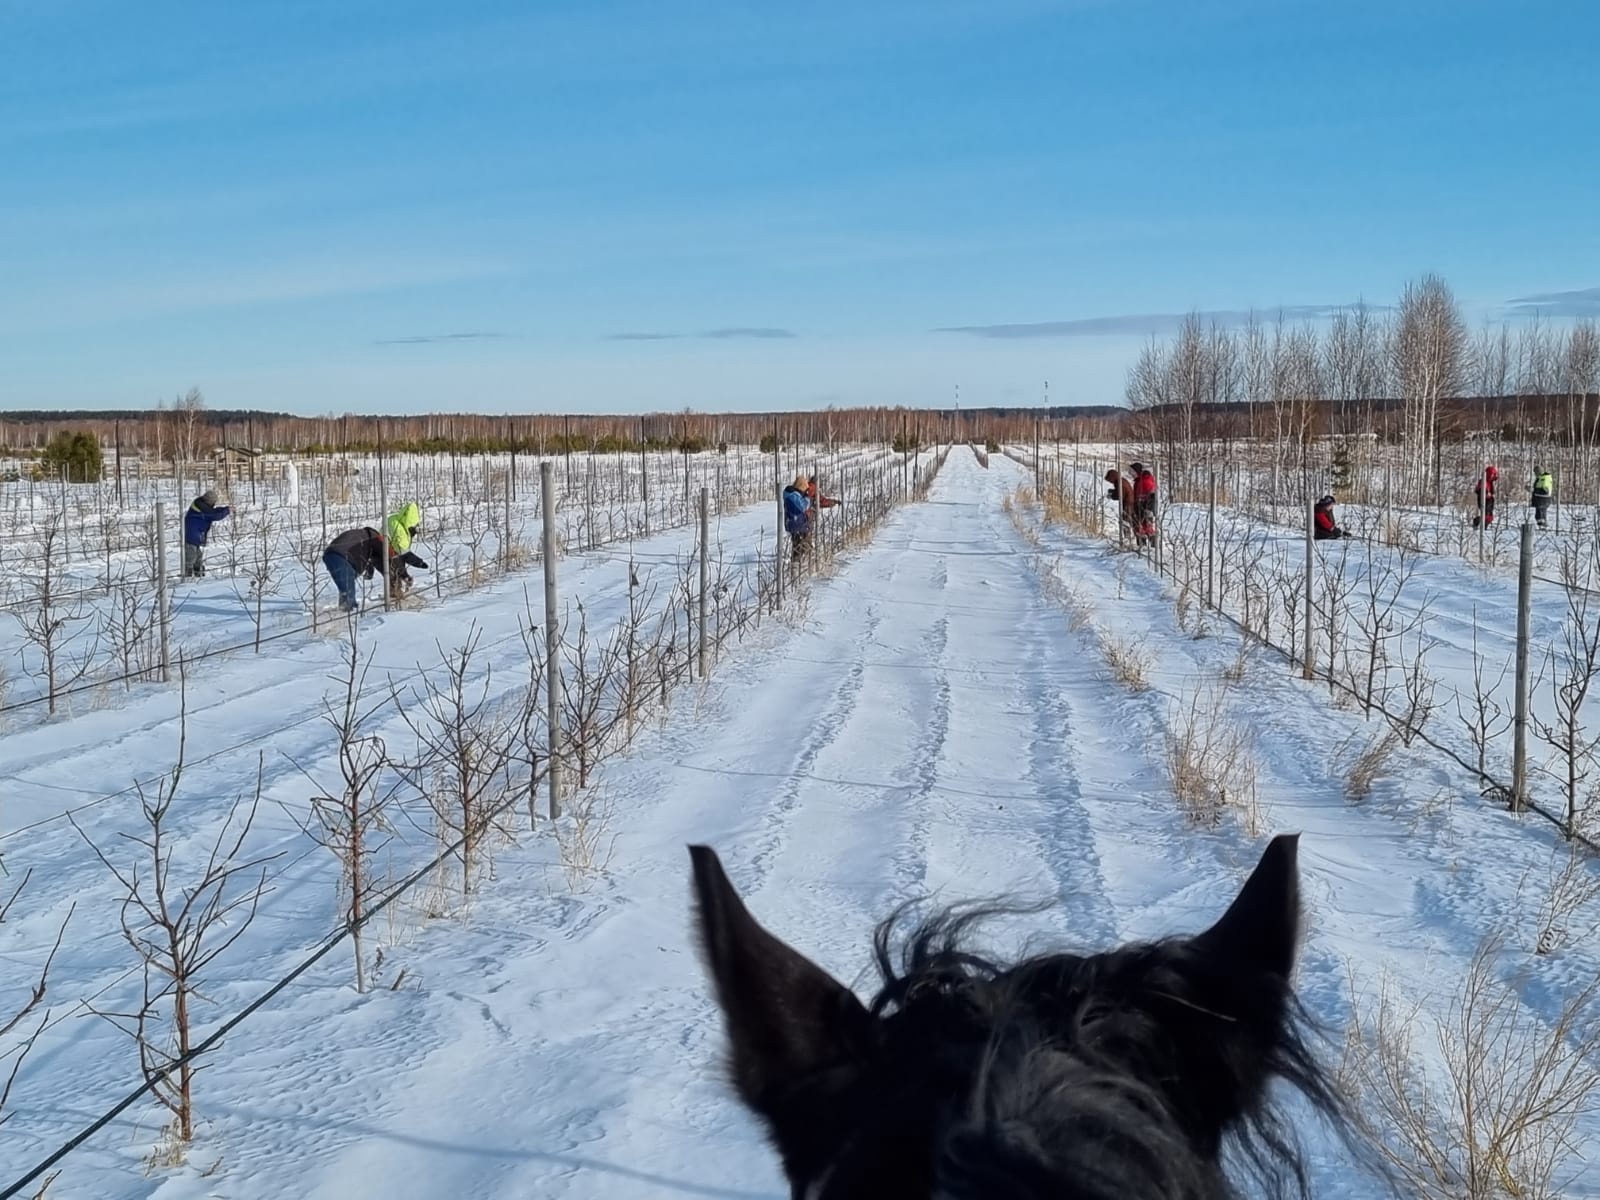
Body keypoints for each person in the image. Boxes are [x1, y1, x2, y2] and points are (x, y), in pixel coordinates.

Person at [322, 526, 387, 612]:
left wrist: (369, 568)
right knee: (348, 591)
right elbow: (382, 556)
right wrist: (388, 574)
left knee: (347, 587)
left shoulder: (361, 536)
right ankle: (347, 614)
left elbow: (366, 556)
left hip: (331, 554)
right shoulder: (373, 537)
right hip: (341, 556)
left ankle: (347, 610)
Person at [384, 500, 430, 598]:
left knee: (397, 563)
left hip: (390, 547)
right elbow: (404, 553)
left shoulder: (398, 520)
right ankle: (394, 593)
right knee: (394, 565)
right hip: (382, 548)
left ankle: (397, 589)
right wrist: (419, 562)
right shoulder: (399, 530)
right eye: (413, 527)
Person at [182, 489, 230, 578]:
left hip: (196, 533)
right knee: (191, 555)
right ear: (210, 501)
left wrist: (226, 508)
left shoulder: (201, 504)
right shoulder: (202, 508)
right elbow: (214, 515)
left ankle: (198, 572)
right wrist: (227, 511)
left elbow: (213, 511)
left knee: (198, 555)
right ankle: (188, 574)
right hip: (192, 534)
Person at [782, 473, 812, 559]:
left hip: (798, 523)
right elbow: (803, 507)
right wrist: (807, 498)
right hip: (796, 524)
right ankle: (795, 568)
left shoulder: (793, 495)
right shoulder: (793, 496)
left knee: (803, 545)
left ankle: (799, 565)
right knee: (798, 548)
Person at [1130, 462, 1158, 545]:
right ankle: (1143, 546)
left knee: (1147, 527)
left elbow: (1152, 494)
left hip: (1146, 507)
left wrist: (1149, 508)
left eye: (1132, 472)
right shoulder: (1139, 481)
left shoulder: (1145, 481)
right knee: (1140, 527)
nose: (1131, 474)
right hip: (1140, 506)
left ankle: (1152, 546)